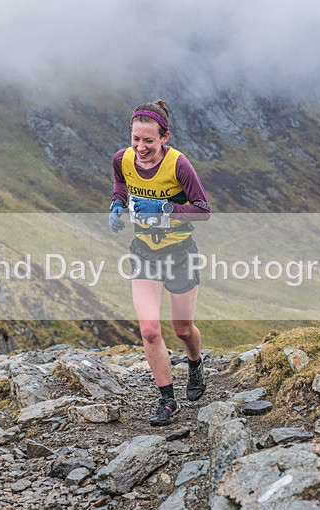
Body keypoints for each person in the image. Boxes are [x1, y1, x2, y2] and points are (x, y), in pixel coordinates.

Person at [109, 100, 212, 426]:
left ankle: (195, 364)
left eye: (148, 140)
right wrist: (117, 204)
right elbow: (121, 182)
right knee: (150, 330)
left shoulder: (179, 165)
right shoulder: (122, 159)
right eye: (135, 139)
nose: (140, 147)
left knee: (182, 329)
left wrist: (166, 210)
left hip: (180, 253)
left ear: (164, 137)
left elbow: (203, 209)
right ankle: (167, 401)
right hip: (144, 253)